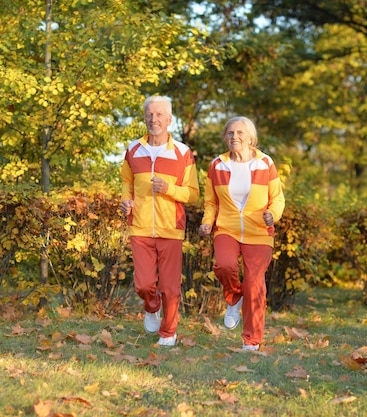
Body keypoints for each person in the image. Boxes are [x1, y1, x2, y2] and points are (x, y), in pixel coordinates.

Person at [199, 116, 285, 351]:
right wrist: (207, 222)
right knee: (224, 265)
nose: (234, 137)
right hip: (226, 228)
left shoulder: (265, 163)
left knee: (255, 285)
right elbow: (210, 201)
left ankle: (252, 340)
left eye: (239, 133)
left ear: (250, 138)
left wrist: (272, 214)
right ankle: (234, 297)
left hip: (259, 231)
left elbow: (277, 197)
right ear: (225, 137)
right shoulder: (217, 165)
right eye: (230, 133)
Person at [120, 95, 200, 347]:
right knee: (144, 284)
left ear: (169, 119)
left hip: (170, 229)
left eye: (159, 115)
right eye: (149, 115)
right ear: (145, 117)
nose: (154, 119)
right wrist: (125, 201)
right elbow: (126, 183)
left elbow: (193, 194)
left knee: (170, 286)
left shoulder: (182, 152)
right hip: (140, 227)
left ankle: (168, 332)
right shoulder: (133, 149)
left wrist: (168, 188)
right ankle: (151, 306)